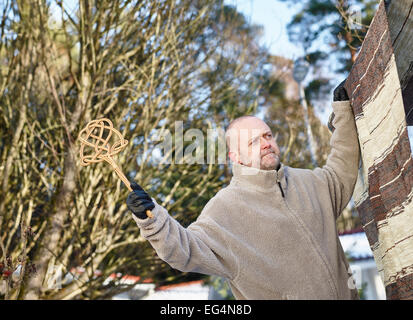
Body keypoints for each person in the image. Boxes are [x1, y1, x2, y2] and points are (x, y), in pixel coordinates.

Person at [126, 80, 360, 299]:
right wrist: (151, 220)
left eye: (268, 135)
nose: (266, 143)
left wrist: (343, 116)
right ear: (235, 157)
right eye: (253, 141)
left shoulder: (309, 183)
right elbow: (184, 250)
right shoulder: (225, 209)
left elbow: (342, 166)